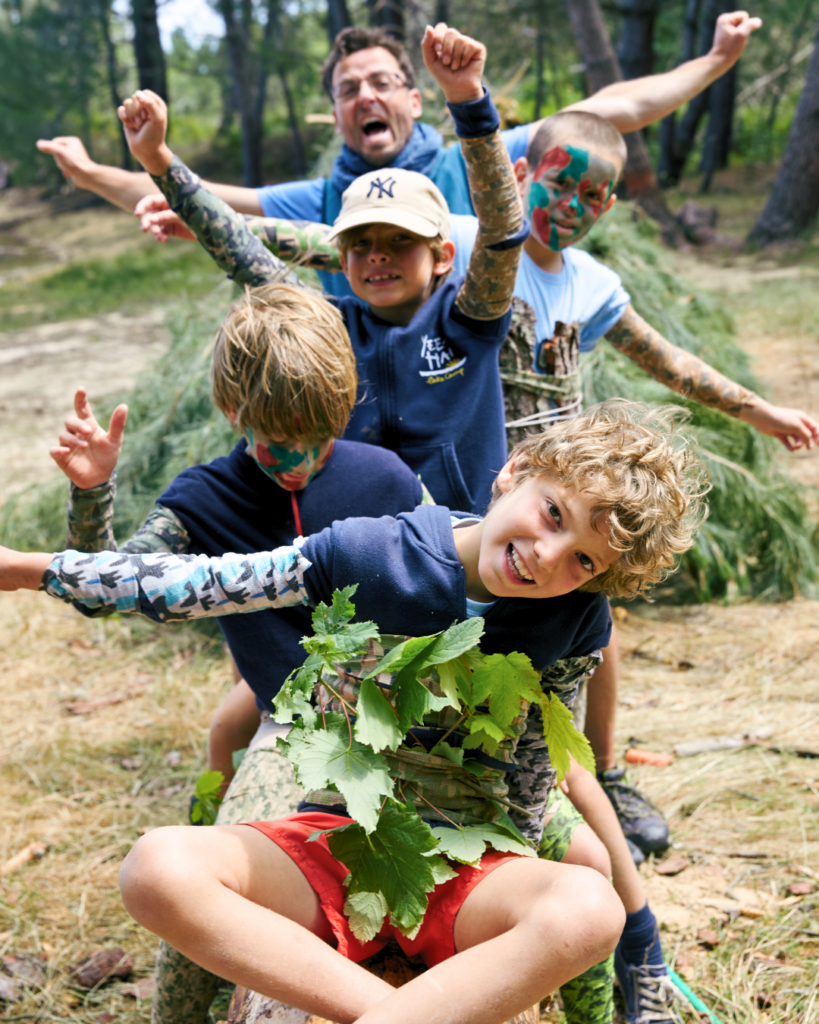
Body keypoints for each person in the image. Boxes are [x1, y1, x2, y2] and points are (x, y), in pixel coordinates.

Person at [0, 402, 707, 1024]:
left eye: (583, 559)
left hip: (469, 867)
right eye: (553, 513)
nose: (547, 556)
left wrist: (514, 892)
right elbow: (192, 583)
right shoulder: (369, 552)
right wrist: (30, 568)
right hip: (339, 843)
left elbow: (531, 773)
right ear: (515, 470)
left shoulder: (574, 621)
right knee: (156, 868)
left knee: (589, 905)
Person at [37, 13, 762, 295]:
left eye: (382, 81)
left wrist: (713, 62)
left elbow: (611, 112)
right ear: (336, 114)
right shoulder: (322, 200)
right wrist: (91, 169)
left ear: (414, 100)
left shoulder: (476, 158)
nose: (365, 96)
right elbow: (192, 200)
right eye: (349, 89)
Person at [118, 25, 526, 518]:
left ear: (442, 256)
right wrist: (158, 160)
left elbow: (503, 227)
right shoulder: (329, 330)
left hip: (471, 546)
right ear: (341, 259)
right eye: (360, 243)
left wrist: (467, 99)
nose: (378, 255)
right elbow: (243, 252)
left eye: (401, 239)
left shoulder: (471, 319)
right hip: (365, 559)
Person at [51, 283, 427, 795]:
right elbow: (100, 592)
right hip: (291, 733)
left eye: (317, 440)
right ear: (232, 409)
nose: (301, 461)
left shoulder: (389, 478)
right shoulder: (202, 501)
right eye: (279, 444)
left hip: (410, 722)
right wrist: (92, 493)